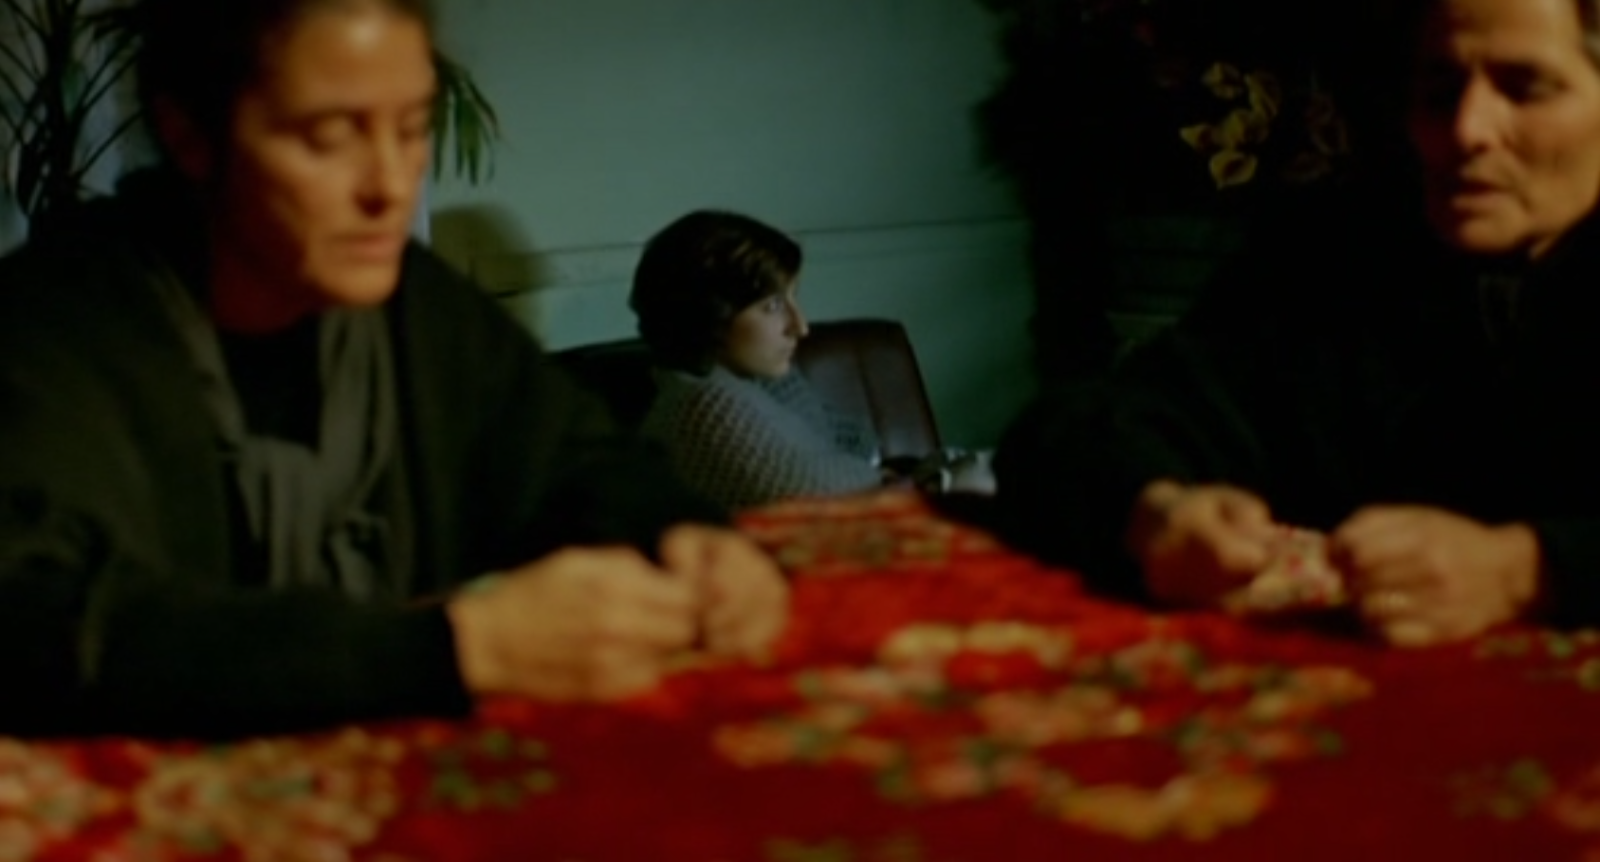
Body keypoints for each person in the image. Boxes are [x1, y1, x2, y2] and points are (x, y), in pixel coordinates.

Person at [0, 0, 787, 739]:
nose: (390, 185)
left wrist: (687, 537)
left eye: (412, 130)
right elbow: (40, 625)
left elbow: (581, 459)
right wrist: (453, 651)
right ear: (189, 135)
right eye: (330, 136)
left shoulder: (416, 304)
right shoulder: (55, 322)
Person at [995, 0, 1600, 648]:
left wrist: (1530, 570)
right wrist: (1153, 510)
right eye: (1440, 90)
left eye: (1526, 89)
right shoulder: (1336, 257)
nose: (1466, 128)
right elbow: (1075, 428)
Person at [629, 210, 990, 511]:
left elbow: (852, 468)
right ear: (709, 315)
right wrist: (939, 486)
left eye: (793, 298)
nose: (800, 326)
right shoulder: (705, 412)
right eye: (773, 306)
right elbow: (830, 514)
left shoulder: (760, 382)